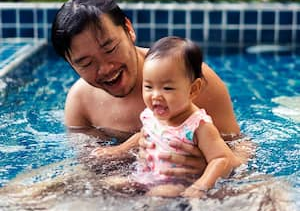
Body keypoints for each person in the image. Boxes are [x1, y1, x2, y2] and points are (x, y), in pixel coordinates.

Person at [51, 0, 241, 177]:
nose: (105, 68)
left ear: (129, 29)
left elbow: (241, 147)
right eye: (86, 63)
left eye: (110, 48)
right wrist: (123, 153)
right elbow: (92, 170)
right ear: (71, 64)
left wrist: (210, 167)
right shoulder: (80, 103)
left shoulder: (188, 80)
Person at [91, 36, 243, 198]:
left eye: (167, 88)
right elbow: (143, 135)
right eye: (149, 86)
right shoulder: (153, 115)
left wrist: (200, 186)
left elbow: (221, 159)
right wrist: (119, 150)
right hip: (145, 176)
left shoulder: (198, 126)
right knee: (105, 185)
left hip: (178, 183)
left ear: (193, 89)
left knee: (158, 195)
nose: (156, 96)